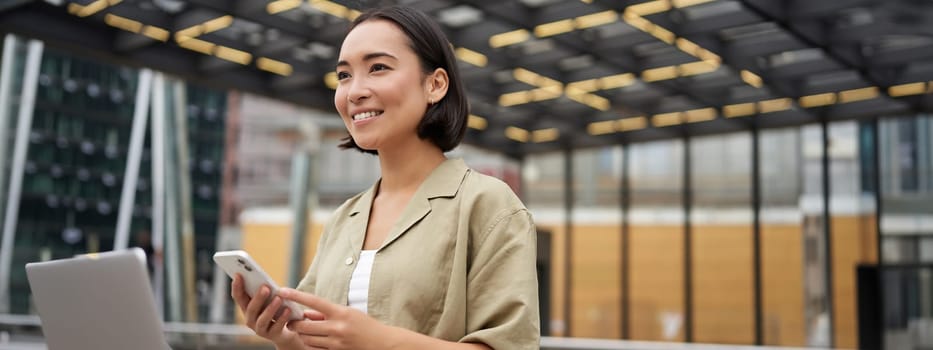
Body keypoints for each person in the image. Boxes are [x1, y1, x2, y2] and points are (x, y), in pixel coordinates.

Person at [230, 5, 540, 350]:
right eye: (344, 75)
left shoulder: (489, 206)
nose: (355, 91)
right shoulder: (343, 220)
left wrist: (378, 340)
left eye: (378, 68)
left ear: (435, 85)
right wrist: (286, 338)